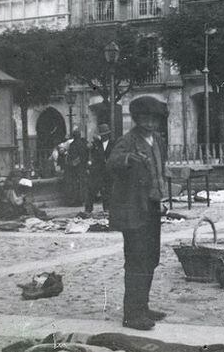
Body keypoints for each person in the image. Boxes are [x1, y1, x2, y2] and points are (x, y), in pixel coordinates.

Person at [107, 96, 168, 331]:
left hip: (152, 207)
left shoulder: (158, 141)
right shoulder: (127, 141)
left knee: (151, 258)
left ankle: (143, 306)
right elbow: (111, 163)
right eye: (145, 118)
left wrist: (162, 197)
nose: (150, 122)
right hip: (133, 210)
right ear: (137, 119)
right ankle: (132, 314)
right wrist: (127, 160)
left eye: (154, 118)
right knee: (136, 259)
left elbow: (161, 170)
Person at [85, 123, 114, 214]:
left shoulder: (113, 143)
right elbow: (91, 155)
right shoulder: (96, 144)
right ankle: (88, 209)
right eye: (102, 135)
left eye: (106, 134)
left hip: (108, 171)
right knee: (92, 189)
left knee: (107, 190)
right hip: (97, 171)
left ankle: (107, 208)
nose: (104, 136)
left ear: (108, 134)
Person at [64, 127, 89, 206]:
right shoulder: (83, 144)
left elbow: (72, 156)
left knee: (75, 184)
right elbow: (85, 155)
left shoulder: (73, 145)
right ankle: (81, 200)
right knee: (81, 184)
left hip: (75, 167)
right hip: (81, 167)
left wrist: (72, 163)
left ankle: (76, 201)